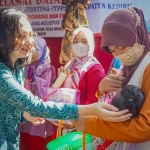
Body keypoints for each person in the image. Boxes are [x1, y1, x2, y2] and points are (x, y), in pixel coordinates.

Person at [0, 8, 130, 150]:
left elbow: (9, 111)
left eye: (31, 35)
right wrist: (90, 110)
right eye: (21, 35)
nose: (30, 42)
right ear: (4, 37)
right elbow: (36, 106)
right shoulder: (3, 74)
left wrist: (24, 115)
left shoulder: (17, 69)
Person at [71, 7, 150, 150]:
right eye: (113, 51)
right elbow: (122, 102)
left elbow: (146, 126)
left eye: (121, 47)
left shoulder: (148, 66)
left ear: (137, 36)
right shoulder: (127, 66)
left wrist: (89, 124)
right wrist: (102, 89)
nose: (119, 54)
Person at [20, 36, 57, 150]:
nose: (30, 51)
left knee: (37, 144)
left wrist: (31, 81)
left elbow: (44, 93)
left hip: (40, 115)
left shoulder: (47, 69)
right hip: (26, 114)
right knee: (24, 142)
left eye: (34, 49)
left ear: (42, 51)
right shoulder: (25, 67)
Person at [59, 27, 105, 105]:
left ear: (91, 44)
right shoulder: (70, 65)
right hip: (67, 112)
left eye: (84, 42)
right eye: (76, 41)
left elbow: (93, 102)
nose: (79, 45)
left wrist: (74, 114)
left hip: (82, 115)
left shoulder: (94, 68)